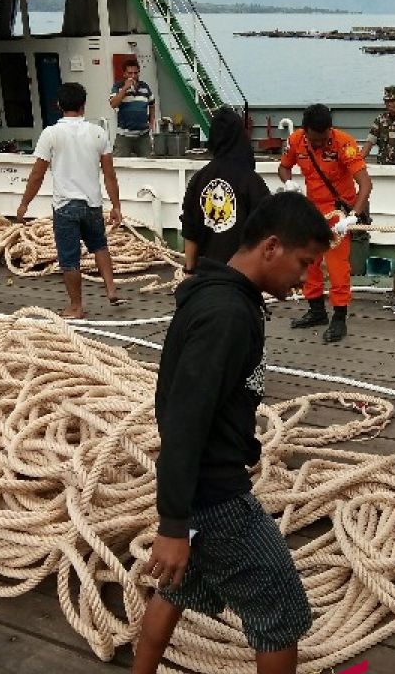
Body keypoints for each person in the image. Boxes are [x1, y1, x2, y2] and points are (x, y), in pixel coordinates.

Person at [134, 191, 331, 674]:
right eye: (303, 263)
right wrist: (173, 525)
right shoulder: (227, 314)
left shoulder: (222, 296)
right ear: (270, 247)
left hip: (203, 490)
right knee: (281, 614)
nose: (305, 278)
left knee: (178, 587)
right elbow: (184, 419)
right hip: (217, 498)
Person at [16, 82, 124, 317]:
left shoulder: (51, 134)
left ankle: (76, 306)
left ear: (59, 105)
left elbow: (37, 174)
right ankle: (111, 288)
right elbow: (109, 174)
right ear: (83, 105)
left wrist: (25, 203)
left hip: (65, 206)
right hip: (92, 204)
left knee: (69, 257)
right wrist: (116, 206)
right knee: (99, 246)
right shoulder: (98, 132)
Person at [277, 103, 373, 343]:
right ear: (305, 130)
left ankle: (339, 318)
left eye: (324, 138)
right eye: (315, 140)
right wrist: (288, 184)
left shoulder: (344, 143)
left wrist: (353, 215)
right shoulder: (296, 141)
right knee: (310, 261)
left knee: (337, 267)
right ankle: (316, 310)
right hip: (311, 211)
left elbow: (365, 184)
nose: (320, 144)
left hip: (339, 215)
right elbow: (284, 167)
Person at [180, 106, 271, 272]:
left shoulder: (199, 179)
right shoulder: (252, 181)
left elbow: (189, 230)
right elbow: (266, 230)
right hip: (241, 276)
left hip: (205, 275)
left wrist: (190, 269)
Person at [109, 59, 156, 158]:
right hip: (124, 135)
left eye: (135, 73)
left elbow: (152, 105)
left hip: (143, 135)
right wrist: (125, 88)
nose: (133, 76)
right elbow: (113, 104)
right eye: (130, 73)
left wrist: (151, 123)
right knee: (120, 163)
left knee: (148, 163)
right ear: (124, 74)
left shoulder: (145, 87)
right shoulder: (118, 86)